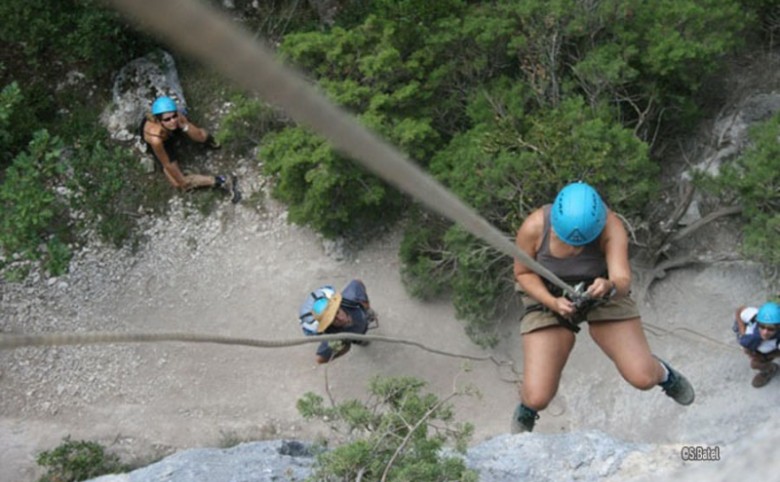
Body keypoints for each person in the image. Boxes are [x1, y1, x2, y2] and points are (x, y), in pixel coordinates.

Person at [511, 181, 694, 433]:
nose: (575, 249)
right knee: (538, 396)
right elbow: (523, 273)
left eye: (582, 243)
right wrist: (552, 301)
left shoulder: (611, 226)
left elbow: (622, 281)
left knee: (642, 377)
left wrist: (607, 286)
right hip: (548, 295)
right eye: (567, 240)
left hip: (600, 292)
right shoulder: (534, 227)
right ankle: (527, 407)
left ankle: (664, 375)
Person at [141, 95, 241, 203]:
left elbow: (198, 134)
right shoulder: (156, 139)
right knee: (179, 183)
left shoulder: (176, 118)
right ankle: (222, 180)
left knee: (201, 136)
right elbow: (166, 163)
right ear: (159, 121)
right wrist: (182, 180)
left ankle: (211, 141)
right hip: (164, 142)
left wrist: (184, 126)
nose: (172, 121)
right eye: (167, 119)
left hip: (168, 132)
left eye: (174, 116)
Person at [297, 279, 378, 364]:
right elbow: (320, 359)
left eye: (337, 312)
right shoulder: (333, 337)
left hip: (362, 319)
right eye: (333, 319)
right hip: (353, 336)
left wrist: (366, 307)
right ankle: (360, 341)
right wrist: (344, 348)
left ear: (338, 306)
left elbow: (357, 283)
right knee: (359, 339)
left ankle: (361, 335)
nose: (340, 318)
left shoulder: (351, 297)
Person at [734, 301, 780, 388]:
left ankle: (771, 369)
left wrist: (766, 356)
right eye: (762, 327)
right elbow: (739, 311)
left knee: (755, 364)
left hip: (769, 350)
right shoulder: (753, 316)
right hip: (753, 342)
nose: (765, 332)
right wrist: (743, 333)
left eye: (771, 329)